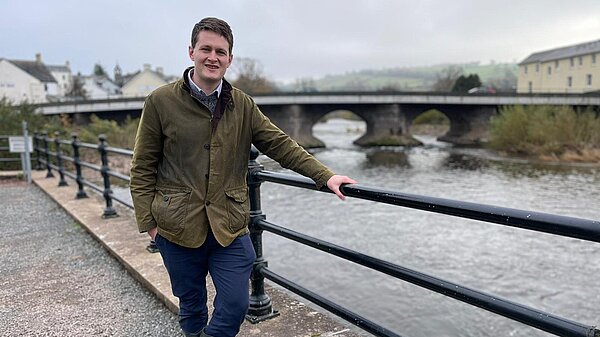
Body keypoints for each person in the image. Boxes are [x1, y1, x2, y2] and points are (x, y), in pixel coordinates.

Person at [130, 17, 356, 337]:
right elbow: (142, 167)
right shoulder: (160, 102)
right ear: (191, 51)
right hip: (177, 226)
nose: (213, 57)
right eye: (206, 49)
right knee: (192, 305)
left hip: (229, 225)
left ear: (230, 59)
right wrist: (150, 225)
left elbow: (280, 144)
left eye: (220, 52)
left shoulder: (243, 104)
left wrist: (326, 176)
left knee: (236, 304)